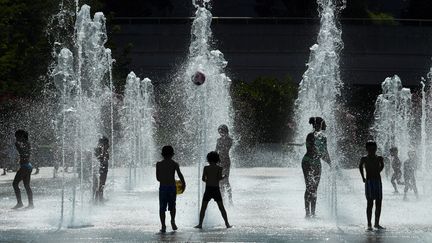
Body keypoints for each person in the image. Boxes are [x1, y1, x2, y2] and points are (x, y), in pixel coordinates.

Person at [301, 117, 331, 218]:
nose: (326, 125)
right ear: (319, 124)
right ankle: (307, 213)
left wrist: (331, 163)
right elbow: (311, 150)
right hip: (308, 162)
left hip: (317, 163)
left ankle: (313, 213)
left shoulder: (324, 137)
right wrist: (321, 156)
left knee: (315, 188)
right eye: (325, 123)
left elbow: (325, 153)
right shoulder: (310, 136)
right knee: (309, 187)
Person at [195, 151, 231, 229]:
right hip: (216, 189)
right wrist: (224, 176)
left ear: (208, 159)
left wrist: (208, 180)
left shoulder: (206, 168)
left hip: (208, 189)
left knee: (203, 208)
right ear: (217, 159)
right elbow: (219, 178)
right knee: (221, 208)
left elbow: (203, 179)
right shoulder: (219, 168)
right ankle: (227, 224)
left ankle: (200, 224)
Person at [156, 146, 186, 233]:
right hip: (172, 188)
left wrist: (164, 178)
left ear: (162, 154)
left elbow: (158, 178)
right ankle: (173, 221)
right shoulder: (174, 164)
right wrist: (183, 183)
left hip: (163, 188)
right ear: (172, 154)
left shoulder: (159, 164)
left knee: (162, 207)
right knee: (172, 206)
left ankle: (163, 226)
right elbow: (180, 174)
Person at [359, 141, 385, 231]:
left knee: (379, 202)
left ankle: (377, 223)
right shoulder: (364, 158)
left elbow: (382, 165)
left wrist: (378, 171)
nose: (372, 151)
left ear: (376, 149)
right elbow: (360, 166)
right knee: (370, 203)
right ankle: (369, 224)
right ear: (366, 149)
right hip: (369, 182)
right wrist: (363, 177)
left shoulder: (379, 158)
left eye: (373, 149)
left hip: (377, 181)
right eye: (370, 149)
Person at [12, 130, 34, 209]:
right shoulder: (26, 143)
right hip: (28, 166)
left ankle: (20, 203)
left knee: (15, 184)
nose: (16, 138)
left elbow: (23, 153)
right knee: (27, 185)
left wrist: (18, 147)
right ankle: (31, 204)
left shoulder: (26, 144)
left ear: (21, 136)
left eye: (17, 136)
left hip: (25, 167)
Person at [215, 124, 233, 204]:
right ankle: (223, 200)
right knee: (220, 182)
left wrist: (226, 137)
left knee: (225, 180)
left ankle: (230, 199)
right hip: (219, 162)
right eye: (219, 132)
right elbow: (216, 150)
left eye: (222, 132)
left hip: (226, 162)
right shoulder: (218, 140)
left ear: (226, 131)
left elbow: (227, 148)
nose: (221, 134)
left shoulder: (230, 140)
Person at [94, 136, 109, 203]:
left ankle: (98, 198)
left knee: (99, 183)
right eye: (107, 144)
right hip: (102, 168)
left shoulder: (100, 149)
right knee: (100, 183)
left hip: (102, 168)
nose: (108, 145)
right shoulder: (101, 149)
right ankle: (98, 199)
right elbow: (101, 158)